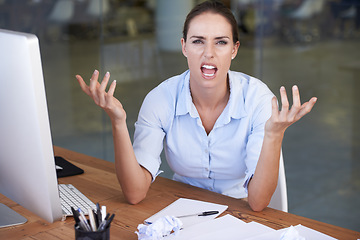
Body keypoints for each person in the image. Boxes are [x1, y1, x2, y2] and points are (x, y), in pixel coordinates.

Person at [76, 1, 317, 212]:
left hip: (240, 209)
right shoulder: (160, 99)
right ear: (184, 47)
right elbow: (135, 193)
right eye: (198, 41)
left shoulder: (257, 99)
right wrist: (117, 122)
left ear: (234, 49)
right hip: (181, 209)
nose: (208, 53)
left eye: (221, 42)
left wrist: (274, 135)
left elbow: (258, 202)